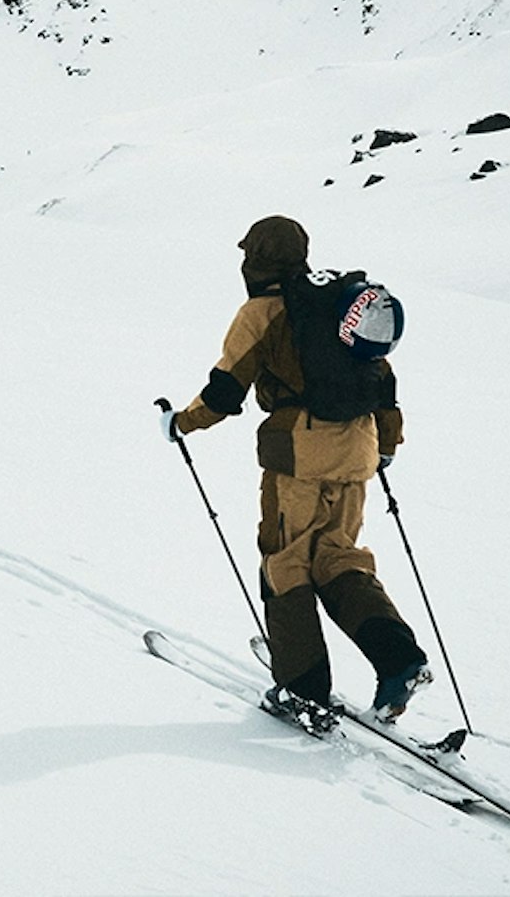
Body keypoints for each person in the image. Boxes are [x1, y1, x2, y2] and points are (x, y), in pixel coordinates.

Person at [161, 214, 429, 732]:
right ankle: (399, 660)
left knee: (286, 563)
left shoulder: (261, 313)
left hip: (299, 454)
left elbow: (224, 390)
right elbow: (383, 379)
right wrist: (387, 446)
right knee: (338, 557)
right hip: (358, 449)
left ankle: (304, 691)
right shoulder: (338, 304)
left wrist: (183, 424)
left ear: (256, 260)